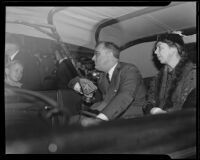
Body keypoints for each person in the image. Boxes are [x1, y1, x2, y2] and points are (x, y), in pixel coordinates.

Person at [73, 41, 146, 127]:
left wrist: (100, 119)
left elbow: (124, 96)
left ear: (110, 55)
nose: (93, 58)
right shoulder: (102, 75)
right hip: (108, 114)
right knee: (73, 120)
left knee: (83, 124)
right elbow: (78, 79)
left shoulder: (129, 70)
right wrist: (77, 85)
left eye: (97, 54)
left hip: (130, 119)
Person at [143, 32, 196, 115]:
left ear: (175, 48)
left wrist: (167, 115)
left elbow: (190, 111)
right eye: (155, 49)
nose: (156, 52)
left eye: (160, 48)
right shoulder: (158, 78)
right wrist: (152, 110)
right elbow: (148, 102)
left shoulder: (192, 74)